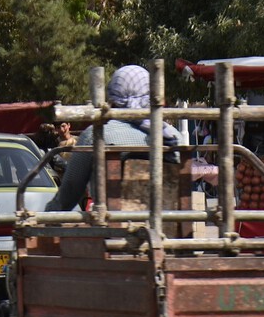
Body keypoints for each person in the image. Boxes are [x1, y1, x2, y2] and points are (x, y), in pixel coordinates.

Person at [47, 64, 182, 213]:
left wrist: (45, 217)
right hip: (171, 224)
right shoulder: (173, 136)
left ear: (113, 92)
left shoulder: (96, 135)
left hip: (112, 225)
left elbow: (69, 194)